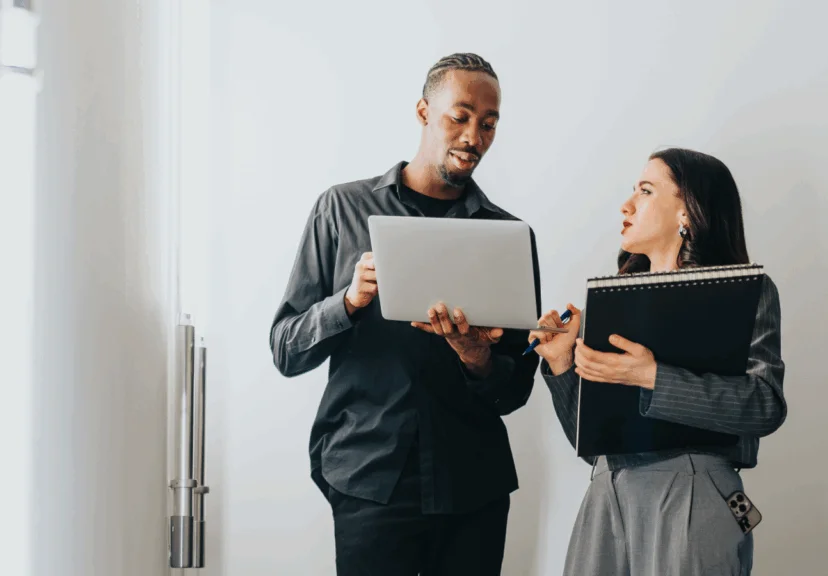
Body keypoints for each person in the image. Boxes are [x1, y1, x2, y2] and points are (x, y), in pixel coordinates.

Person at [269, 53, 542, 576]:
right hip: (368, 480)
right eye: (458, 116)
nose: (473, 136)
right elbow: (285, 349)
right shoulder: (341, 210)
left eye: (488, 124)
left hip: (474, 488)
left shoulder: (510, 238)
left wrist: (476, 355)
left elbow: (515, 391)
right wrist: (347, 303)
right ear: (423, 111)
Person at [528, 148, 786, 575]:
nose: (626, 205)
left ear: (689, 211)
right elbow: (591, 440)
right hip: (607, 494)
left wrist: (651, 377)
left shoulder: (742, 293)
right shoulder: (615, 302)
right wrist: (561, 365)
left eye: (645, 191)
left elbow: (764, 405)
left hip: (692, 491)